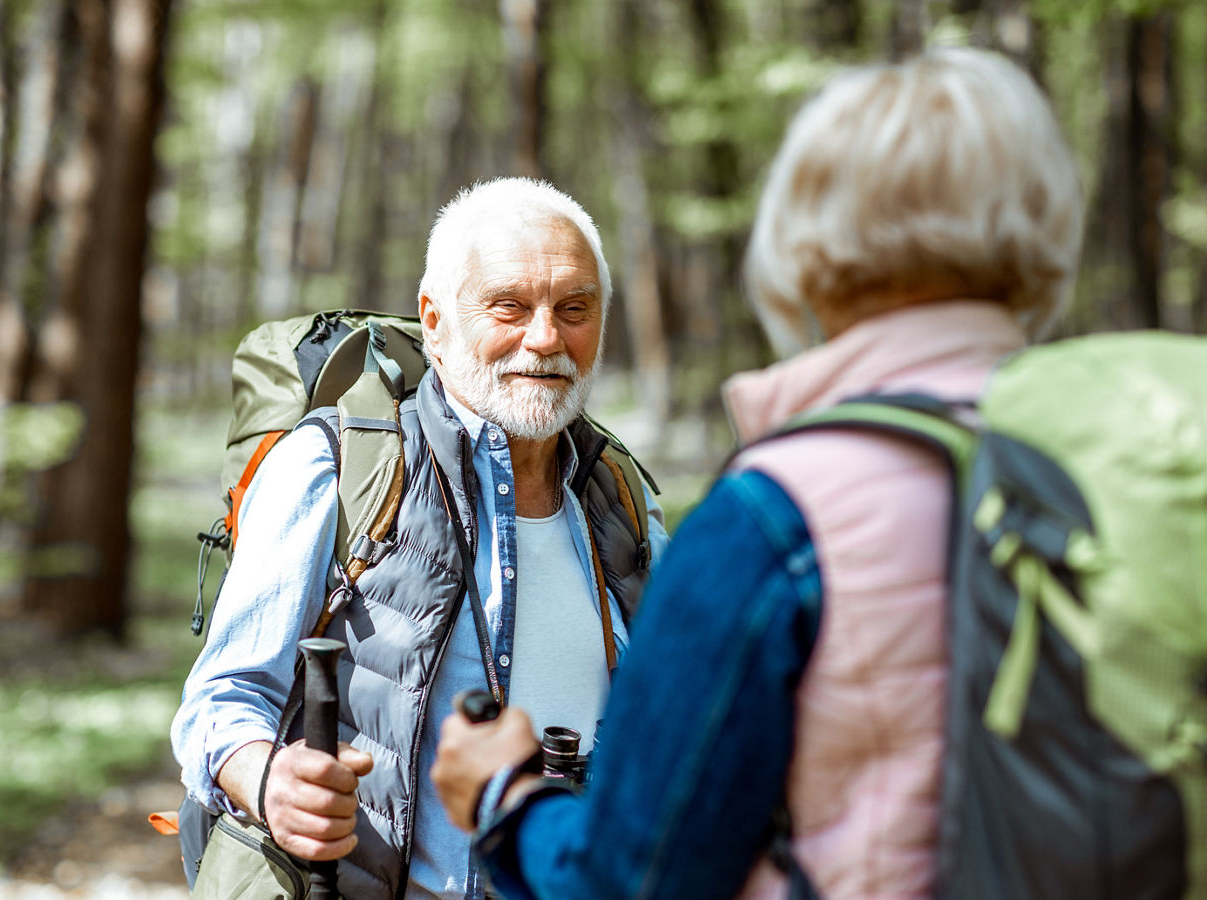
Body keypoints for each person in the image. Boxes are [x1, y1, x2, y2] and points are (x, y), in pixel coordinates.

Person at [429, 48, 1084, 899]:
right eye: (511, 307)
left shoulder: (778, 516)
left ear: (808, 242)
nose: (547, 336)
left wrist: (505, 796)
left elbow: (634, 878)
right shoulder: (1094, 460)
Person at [171, 176, 670, 899]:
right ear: (434, 322)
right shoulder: (335, 466)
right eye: (509, 306)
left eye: (574, 310)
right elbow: (222, 699)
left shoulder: (622, 494)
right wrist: (270, 780)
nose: (545, 338)